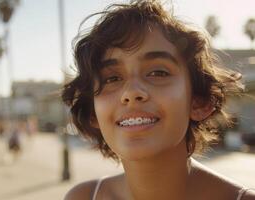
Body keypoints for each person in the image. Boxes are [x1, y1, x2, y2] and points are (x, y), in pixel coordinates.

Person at [61, 1, 255, 200]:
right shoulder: (83, 197)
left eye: (157, 73)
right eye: (112, 79)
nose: (131, 92)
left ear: (198, 101)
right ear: (93, 113)